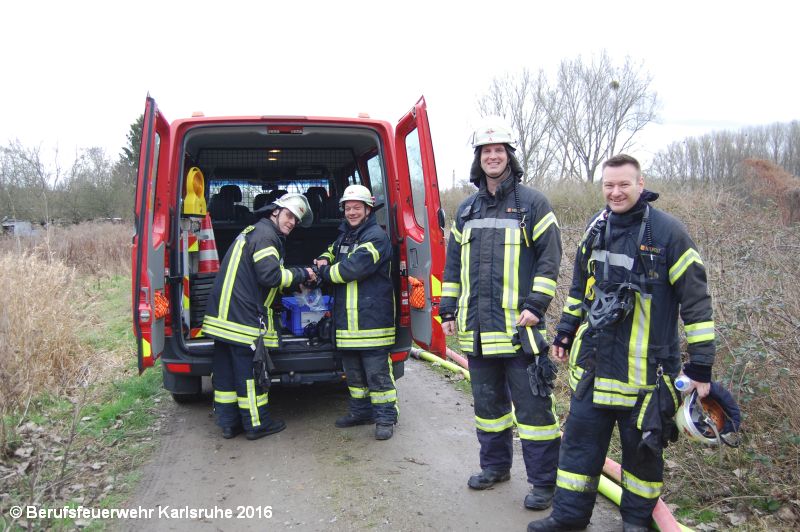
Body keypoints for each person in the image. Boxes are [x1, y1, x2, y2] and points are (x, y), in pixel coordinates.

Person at [528, 154, 716, 532]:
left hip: (647, 374)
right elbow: (580, 288)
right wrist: (565, 330)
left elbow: (696, 302)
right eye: (609, 185)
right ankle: (568, 517)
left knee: (643, 456)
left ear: (641, 184)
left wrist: (701, 364)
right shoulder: (596, 227)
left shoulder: (668, 234)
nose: (615, 192)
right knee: (579, 449)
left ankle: (635, 522)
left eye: (624, 184)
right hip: (595, 368)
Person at [439, 119, 563, 510]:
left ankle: (544, 483)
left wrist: (536, 305)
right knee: (488, 408)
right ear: (478, 159)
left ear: (509, 156)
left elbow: (549, 259)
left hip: (519, 331)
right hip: (477, 331)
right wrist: (447, 308)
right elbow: (453, 265)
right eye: (485, 151)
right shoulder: (466, 209)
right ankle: (495, 467)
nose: (492, 157)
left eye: (499, 150)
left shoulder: (533, 203)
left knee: (534, 412)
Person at [202, 193, 315, 440]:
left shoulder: (256, 231)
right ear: (275, 211)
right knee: (250, 374)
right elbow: (270, 276)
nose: (291, 222)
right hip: (242, 320)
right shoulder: (266, 236)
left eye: (296, 220)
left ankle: (229, 423)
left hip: (224, 318)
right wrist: (303, 274)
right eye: (289, 215)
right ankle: (256, 424)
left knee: (225, 374)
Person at [315, 184, 398, 440]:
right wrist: (324, 257)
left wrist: (322, 271)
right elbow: (331, 251)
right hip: (348, 323)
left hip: (372, 321)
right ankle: (361, 412)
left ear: (368, 209)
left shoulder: (376, 237)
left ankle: (385, 418)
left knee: (377, 375)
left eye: (357, 208)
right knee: (353, 374)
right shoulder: (346, 235)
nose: (351, 212)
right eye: (348, 208)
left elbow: (350, 269)